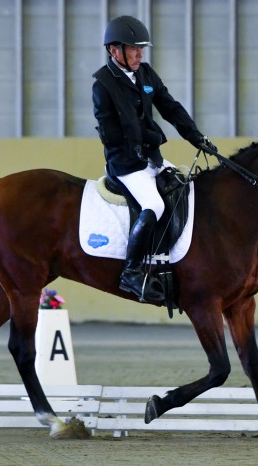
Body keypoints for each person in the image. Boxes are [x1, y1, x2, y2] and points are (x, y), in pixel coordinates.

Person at [92, 15, 217, 301]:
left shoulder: (146, 74)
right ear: (114, 50)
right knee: (154, 204)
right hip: (124, 163)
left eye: (141, 48)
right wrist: (144, 140)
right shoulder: (103, 84)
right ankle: (132, 272)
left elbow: (170, 108)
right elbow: (111, 133)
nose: (140, 54)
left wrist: (196, 137)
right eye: (133, 48)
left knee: (185, 189)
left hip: (151, 158)